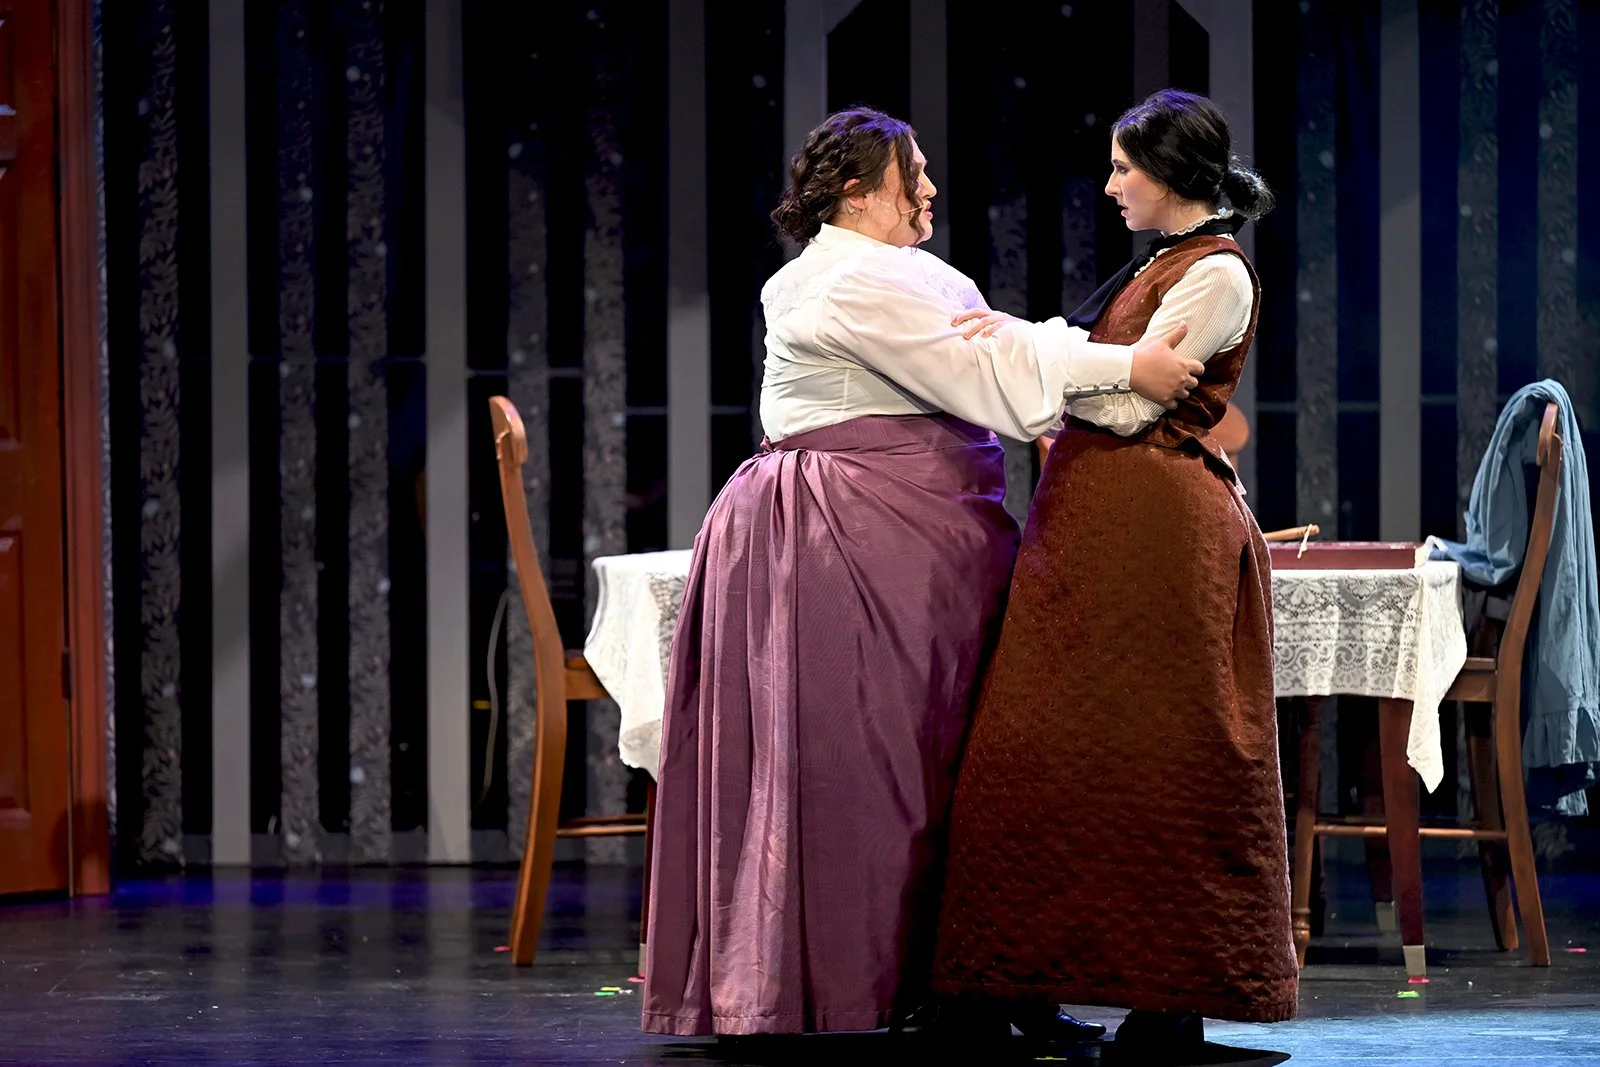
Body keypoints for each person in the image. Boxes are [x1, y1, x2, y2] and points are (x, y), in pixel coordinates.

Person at [641, 107, 1203, 1039]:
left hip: (928, 528)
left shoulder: (902, 270)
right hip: (851, 534)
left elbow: (996, 342)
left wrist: (1093, 365)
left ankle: (979, 987)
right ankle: (896, 989)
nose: (932, 190)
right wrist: (1126, 363)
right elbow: (976, 362)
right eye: (915, 175)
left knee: (958, 767)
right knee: (877, 768)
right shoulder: (837, 281)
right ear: (859, 193)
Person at [932, 89, 1299, 1058]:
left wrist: (1033, 354)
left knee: (1157, 760)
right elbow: (1112, 367)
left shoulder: (1216, 274)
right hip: (1092, 524)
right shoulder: (1161, 264)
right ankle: (1018, 980)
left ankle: (1166, 1002)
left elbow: (1138, 405)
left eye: (1123, 168)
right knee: (1042, 753)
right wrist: (1040, 343)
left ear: (1172, 172)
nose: (1109, 186)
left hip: (1152, 532)